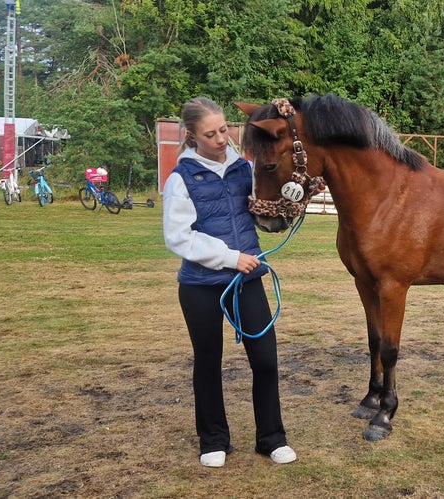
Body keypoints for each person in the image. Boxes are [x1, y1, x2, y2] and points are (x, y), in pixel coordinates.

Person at [163, 96, 296, 468]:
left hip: (247, 281)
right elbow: (178, 236)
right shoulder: (182, 178)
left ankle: (271, 438)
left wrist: (290, 202)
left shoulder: (244, 168)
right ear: (193, 136)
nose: (221, 138)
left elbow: (262, 207)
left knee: (266, 360)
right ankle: (213, 440)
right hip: (201, 286)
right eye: (210, 133)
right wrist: (228, 257)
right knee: (208, 362)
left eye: (224, 129)